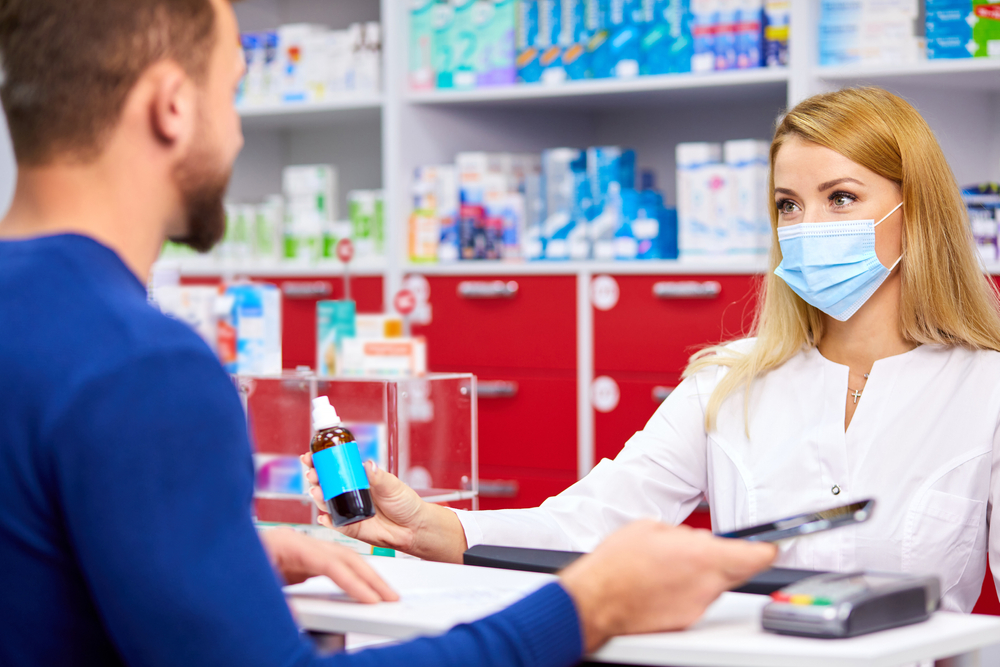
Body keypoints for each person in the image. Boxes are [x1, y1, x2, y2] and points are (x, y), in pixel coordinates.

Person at [0, 0, 778, 665]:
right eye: (232, 94)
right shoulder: (142, 366)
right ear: (172, 106)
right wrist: (585, 607)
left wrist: (217, 564)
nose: (236, 137)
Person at [304, 85, 1000, 614]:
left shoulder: (985, 390)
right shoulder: (728, 383)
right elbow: (591, 522)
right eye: (788, 204)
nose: (808, 226)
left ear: (917, 214)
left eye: (841, 198)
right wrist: (433, 524)